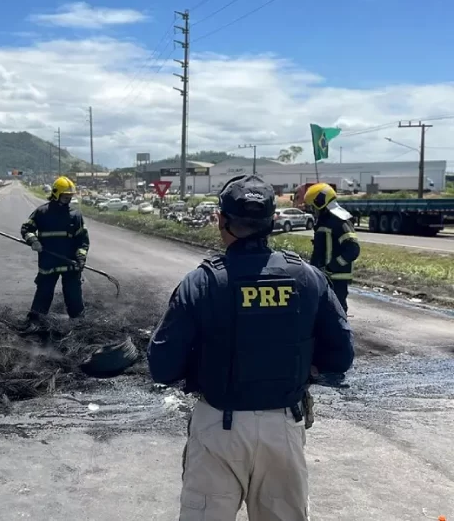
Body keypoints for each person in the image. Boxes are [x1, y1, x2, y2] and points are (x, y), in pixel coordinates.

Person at [147, 174, 354, 521]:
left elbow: (162, 366)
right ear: (272, 222)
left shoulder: (202, 282)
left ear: (221, 221)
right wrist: (306, 368)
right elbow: (342, 355)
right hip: (284, 428)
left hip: (217, 428)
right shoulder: (307, 277)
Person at [20, 175, 90, 324]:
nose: (68, 199)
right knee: (43, 295)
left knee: (74, 297)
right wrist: (33, 241)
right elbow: (26, 229)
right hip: (48, 264)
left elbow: (82, 241)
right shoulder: (42, 212)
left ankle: (79, 326)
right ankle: (35, 324)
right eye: (65, 196)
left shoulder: (75, 215)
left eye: (70, 197)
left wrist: (81, 258)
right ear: (56, 193)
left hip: (70, 265)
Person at [304, 182, 361, 313]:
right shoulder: (325, 221)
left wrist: (331, 267)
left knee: (337, 313)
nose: (312, 209)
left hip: (336, 278)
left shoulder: (339, 221)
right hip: (324, 276)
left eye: (313, 206)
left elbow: (353, 249)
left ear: (320, 202)